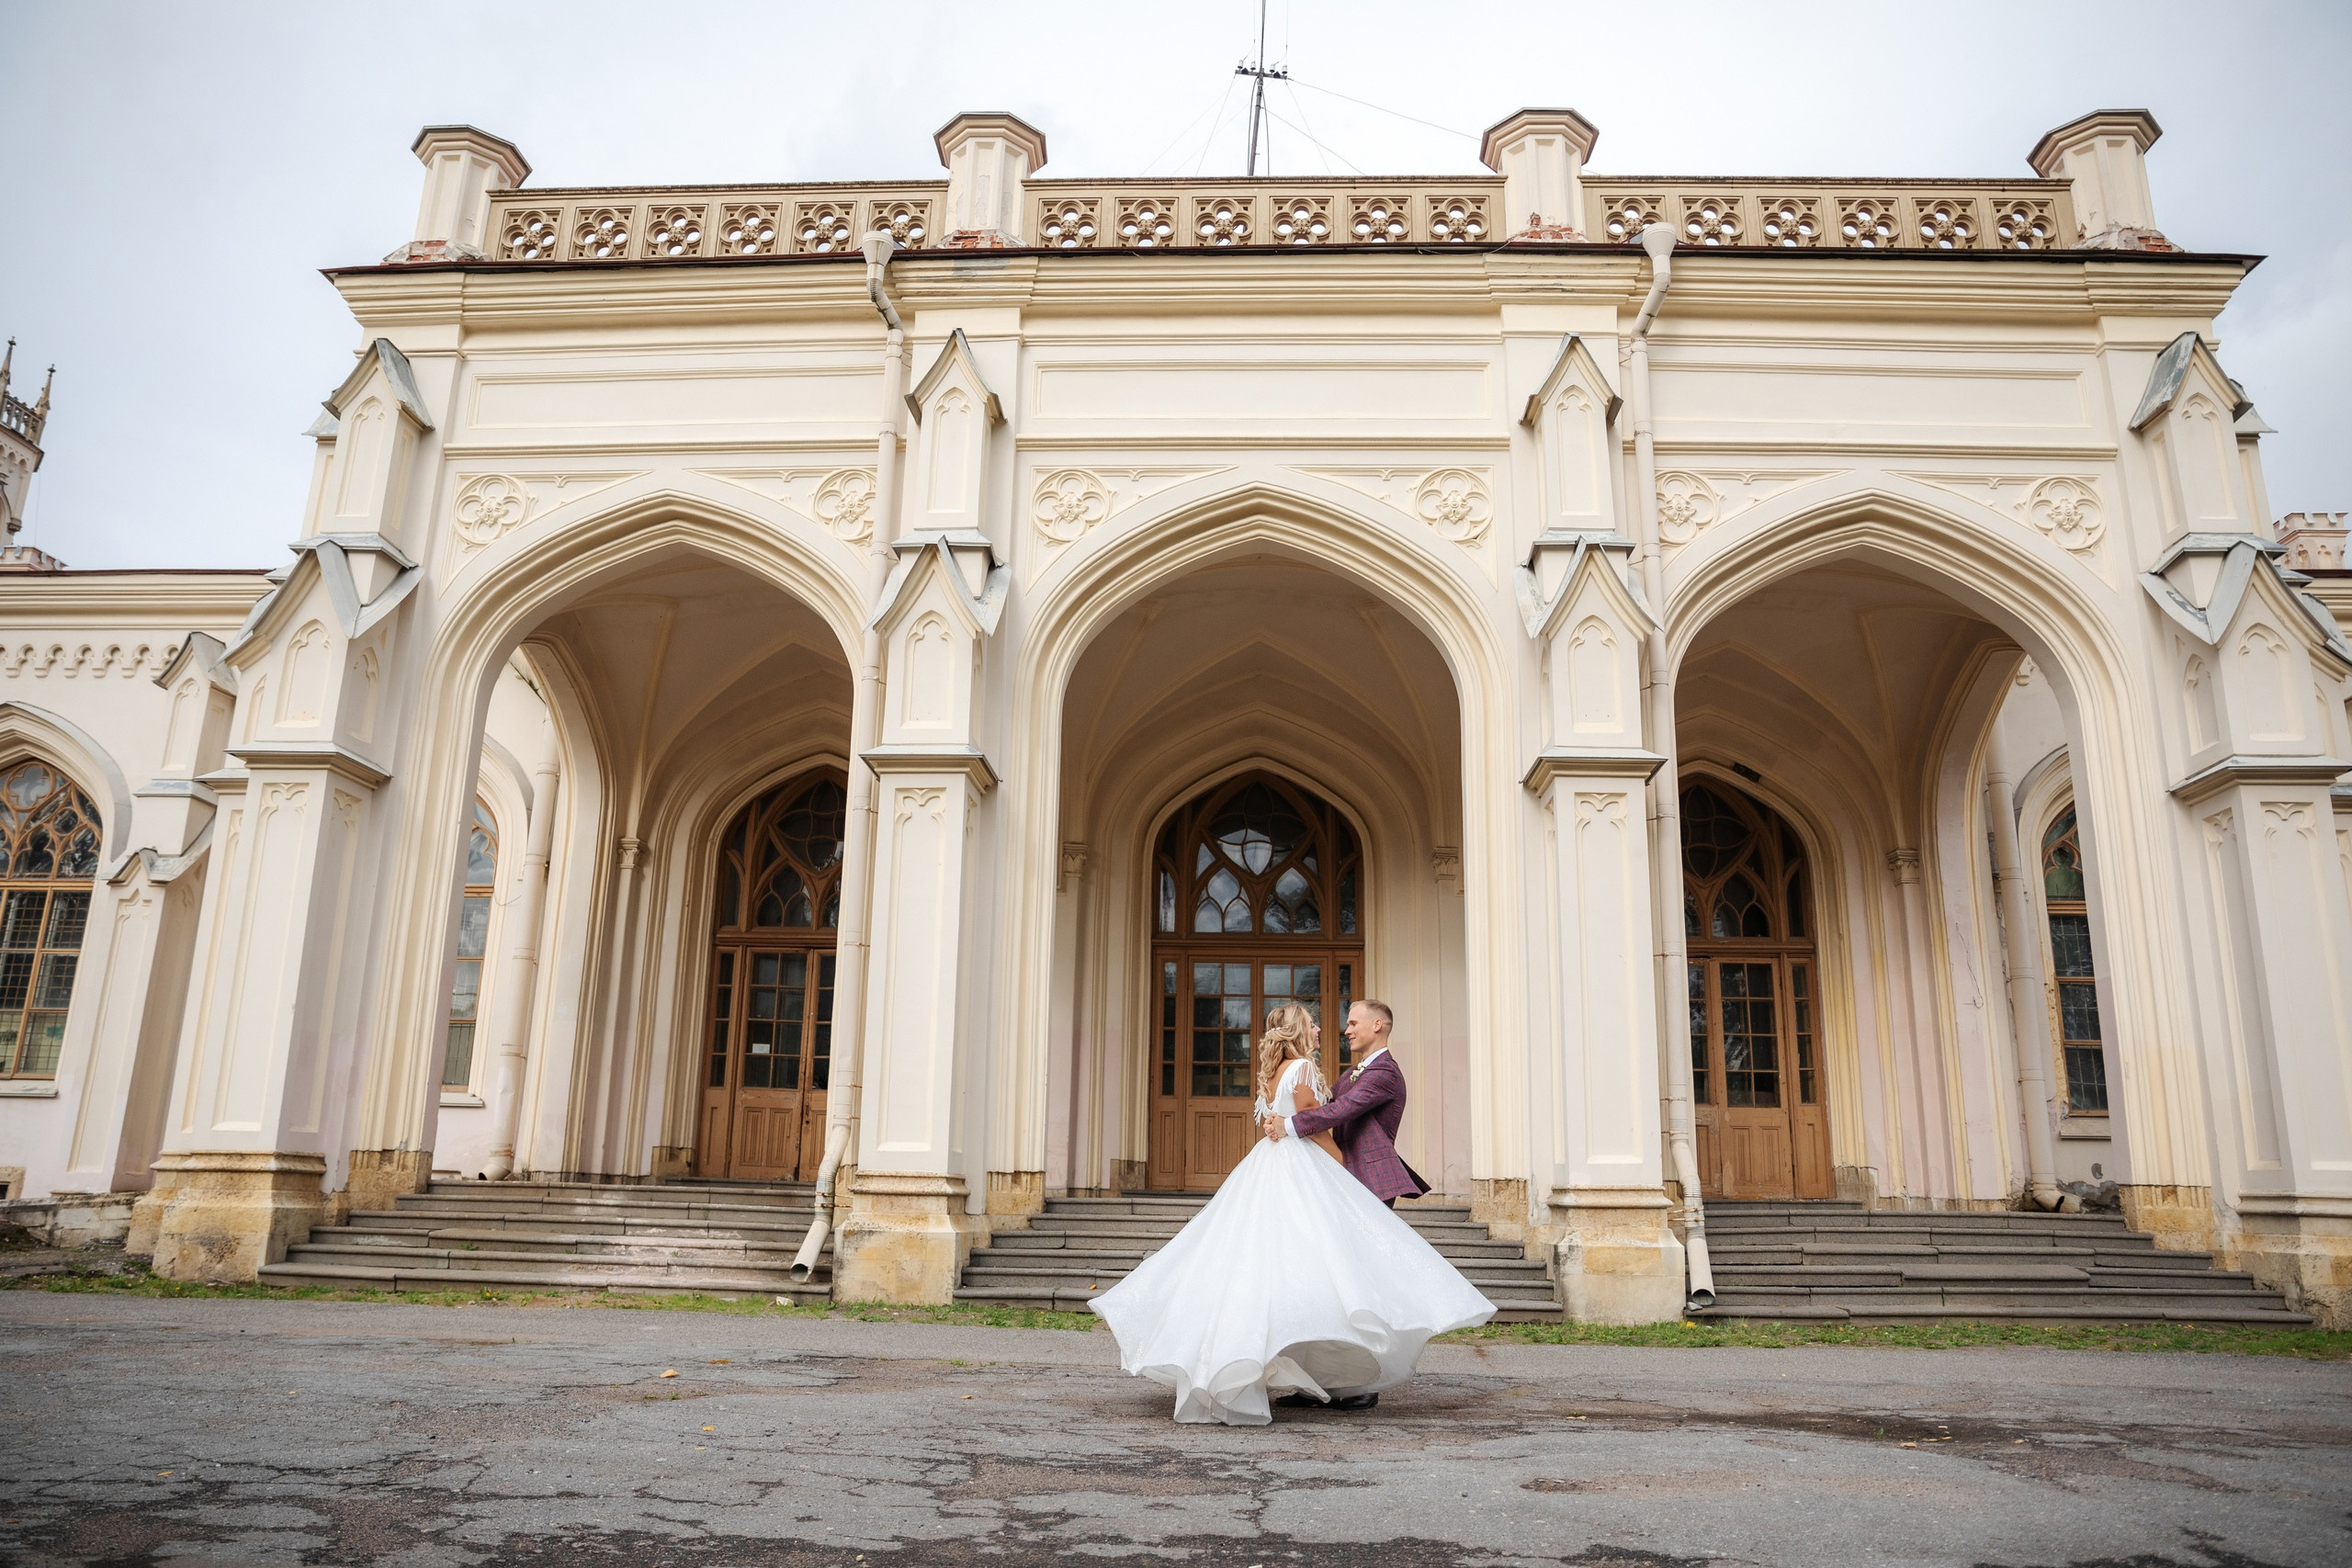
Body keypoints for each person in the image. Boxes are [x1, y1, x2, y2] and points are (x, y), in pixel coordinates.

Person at [1089, 1003, 1493, 1427]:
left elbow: (1330, 1112)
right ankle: (1330, 1379)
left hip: (1326, 1173)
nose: (1333, 1029)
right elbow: (1319, 1118)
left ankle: (1340, 1379)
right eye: (1314, 1023)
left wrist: (1292, 1129)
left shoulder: (1376, 1072)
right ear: (1298, 1029)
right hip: (1311, 1173)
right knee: (1326, 1279)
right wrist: (1330, 1160)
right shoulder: (1310, 1068)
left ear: (1378, 1025)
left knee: (1331, 1278)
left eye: (1351, 1022)